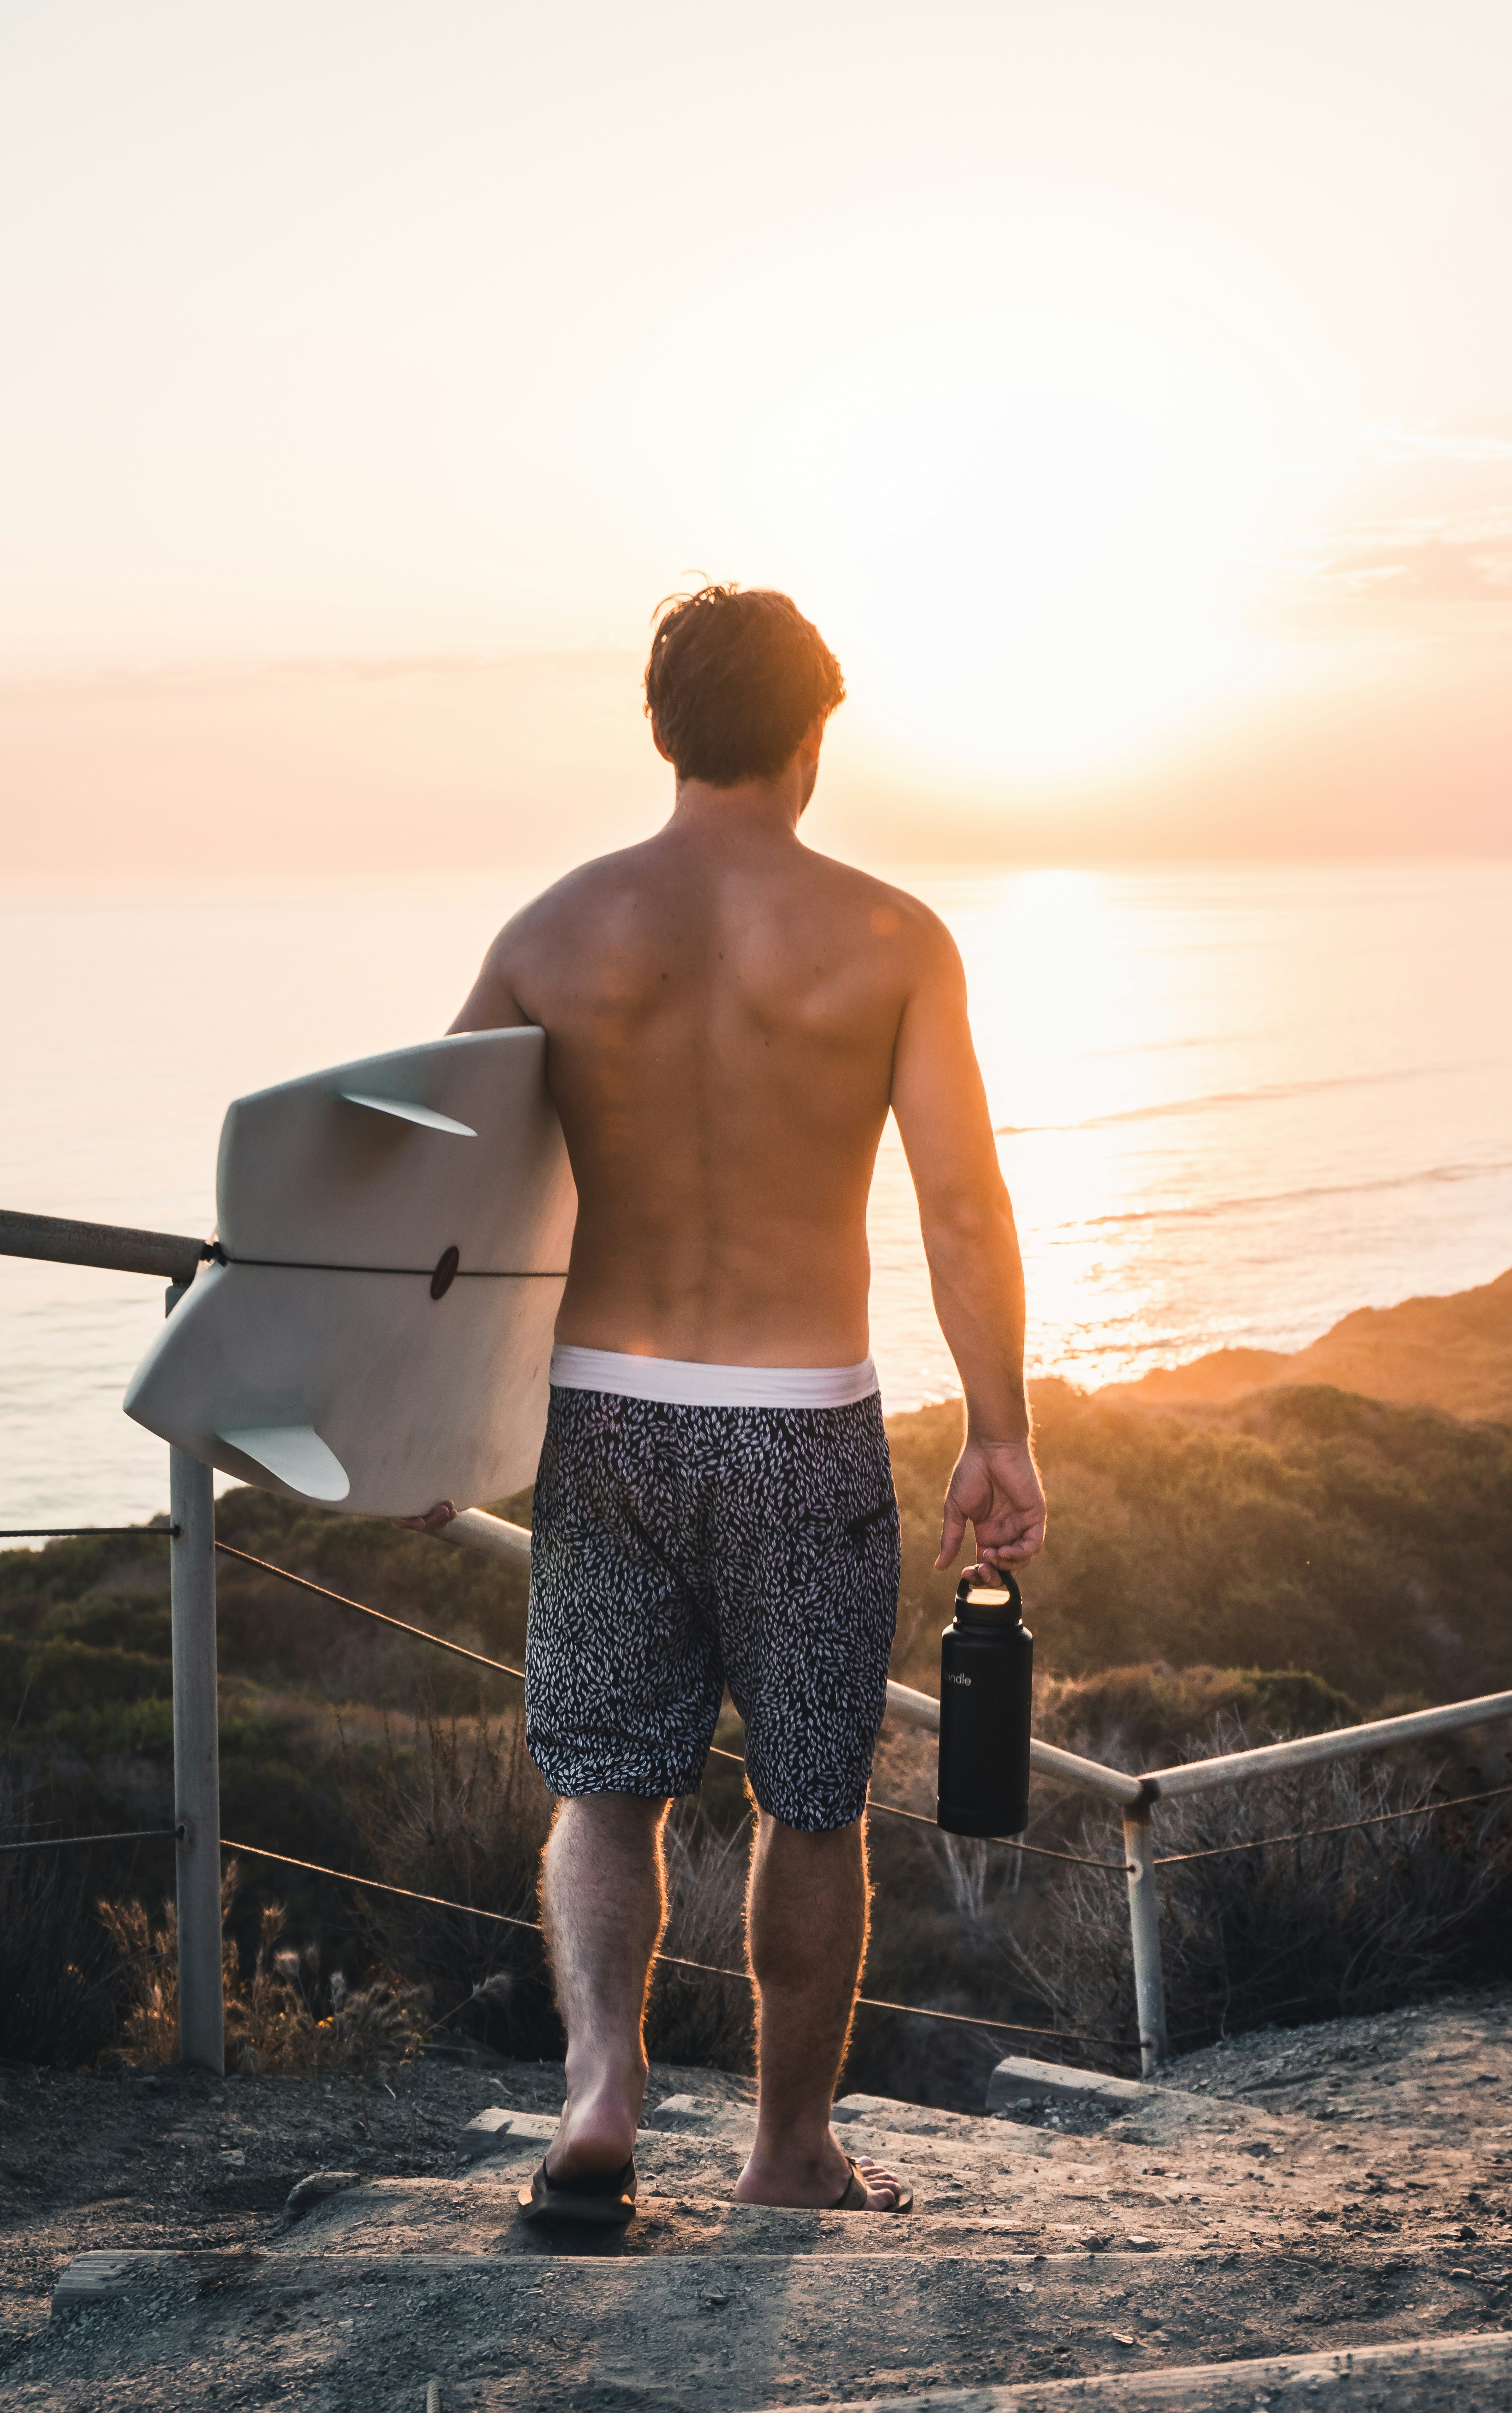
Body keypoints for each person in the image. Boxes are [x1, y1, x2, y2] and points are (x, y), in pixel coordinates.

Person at [408, 586, 1045, 2223]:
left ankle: (601, 2092)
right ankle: (785, 2157)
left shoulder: (552, 931)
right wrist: (1000, 1427)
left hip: (604, 1417)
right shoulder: (891, 936)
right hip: (801, 1429)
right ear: (814, 733)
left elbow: (431, 1199)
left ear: (661, 728)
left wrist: (413, 1416)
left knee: (605, 1783)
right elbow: (961, 1205)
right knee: (812, 1802)